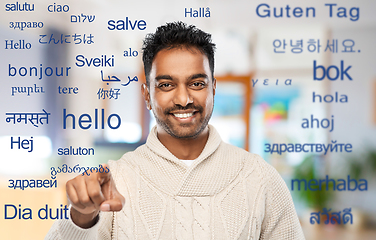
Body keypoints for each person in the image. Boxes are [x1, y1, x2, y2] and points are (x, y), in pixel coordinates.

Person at [45, 21, 305, 240]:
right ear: (147, 95)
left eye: (196, 83)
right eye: (167, 85)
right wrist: (81, 217)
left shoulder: (261, 179)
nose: (183, 98)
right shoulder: (114, 182)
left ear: (213, 88)